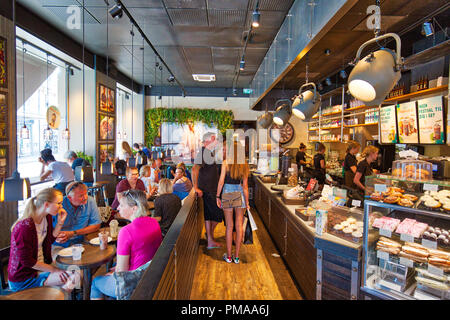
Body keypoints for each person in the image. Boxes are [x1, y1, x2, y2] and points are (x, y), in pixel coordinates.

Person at [90, 189, 162, 300]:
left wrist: (115, 273)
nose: (118, 208)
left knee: (95, 282)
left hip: (132, 283)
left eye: (122, 205)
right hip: (150, 276)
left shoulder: (126, 231)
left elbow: (122, 271)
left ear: (134, 209)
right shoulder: (154, 222)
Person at [8, 188, 70, 292]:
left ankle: (56, 294)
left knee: (74, 274)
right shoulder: (25, 227)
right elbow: (27, 261)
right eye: (59, 203)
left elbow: (49, 240)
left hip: (40, 269)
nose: (61, 207)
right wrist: (55, 270)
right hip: (24, 278)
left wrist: (60, 223)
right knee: (71, 278)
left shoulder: (47, 218)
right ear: (46, 204)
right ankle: (54, 294)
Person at [216, 141, 250, 264]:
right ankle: (236, 257)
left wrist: (217, 196)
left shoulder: (225, 163)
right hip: (239, 192)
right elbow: (245, 187)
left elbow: (221, 182)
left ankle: (229, 256)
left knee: (229, 226)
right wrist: (247, 202)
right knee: (239, 226)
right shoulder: (244, 165)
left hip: (228, 192)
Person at [192, 132, 223, 249]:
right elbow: (195, 169)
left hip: (210, 189)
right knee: (218, 214)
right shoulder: (204, 152)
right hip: (208, 190)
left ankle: (210, 239)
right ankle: (209, 237)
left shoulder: (209, 153)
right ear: (207, 141)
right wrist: (195, 187)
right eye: (214, 139)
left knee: (209, 216)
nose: (216, 142)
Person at [52, 181, 102, 249]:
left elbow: (96, 225)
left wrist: (73, 233)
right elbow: (47, 230)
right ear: (69, 197)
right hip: (60, 244)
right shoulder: (58, 205)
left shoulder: (90, 201)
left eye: (86, 194)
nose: (85, 197)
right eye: (81, 196)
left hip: (83, 241)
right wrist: (55, 237)